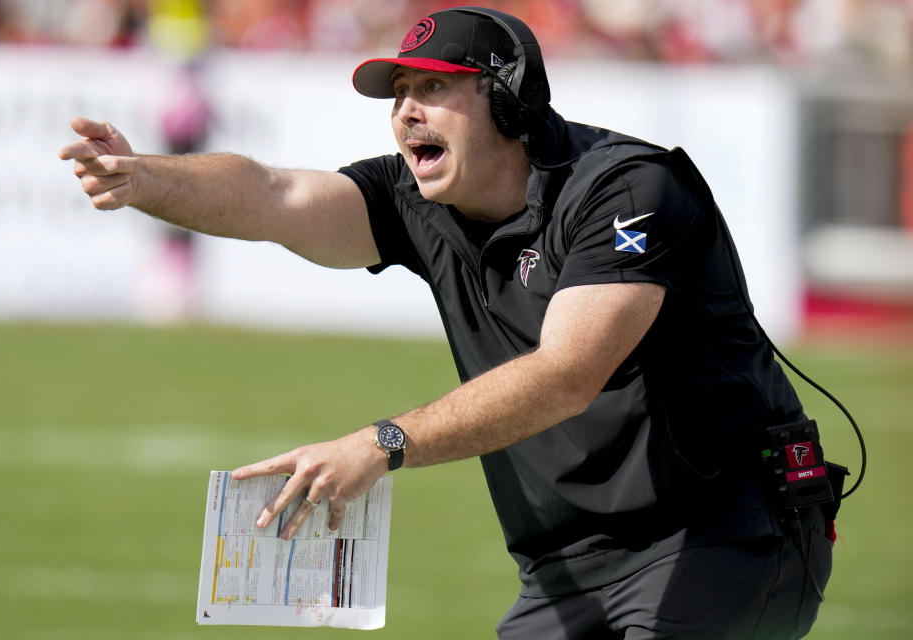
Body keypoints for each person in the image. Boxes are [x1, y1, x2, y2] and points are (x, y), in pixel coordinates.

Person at [59, 7, 839, 638]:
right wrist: (143, 179)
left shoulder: (629, 189)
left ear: (507, 97)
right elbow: (272, 194)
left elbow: (568, 374)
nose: (405, 113)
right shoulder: (414, 198)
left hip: (725, 537)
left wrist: (384, 442)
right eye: (398, 92)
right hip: (564, 567)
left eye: (431, 88)